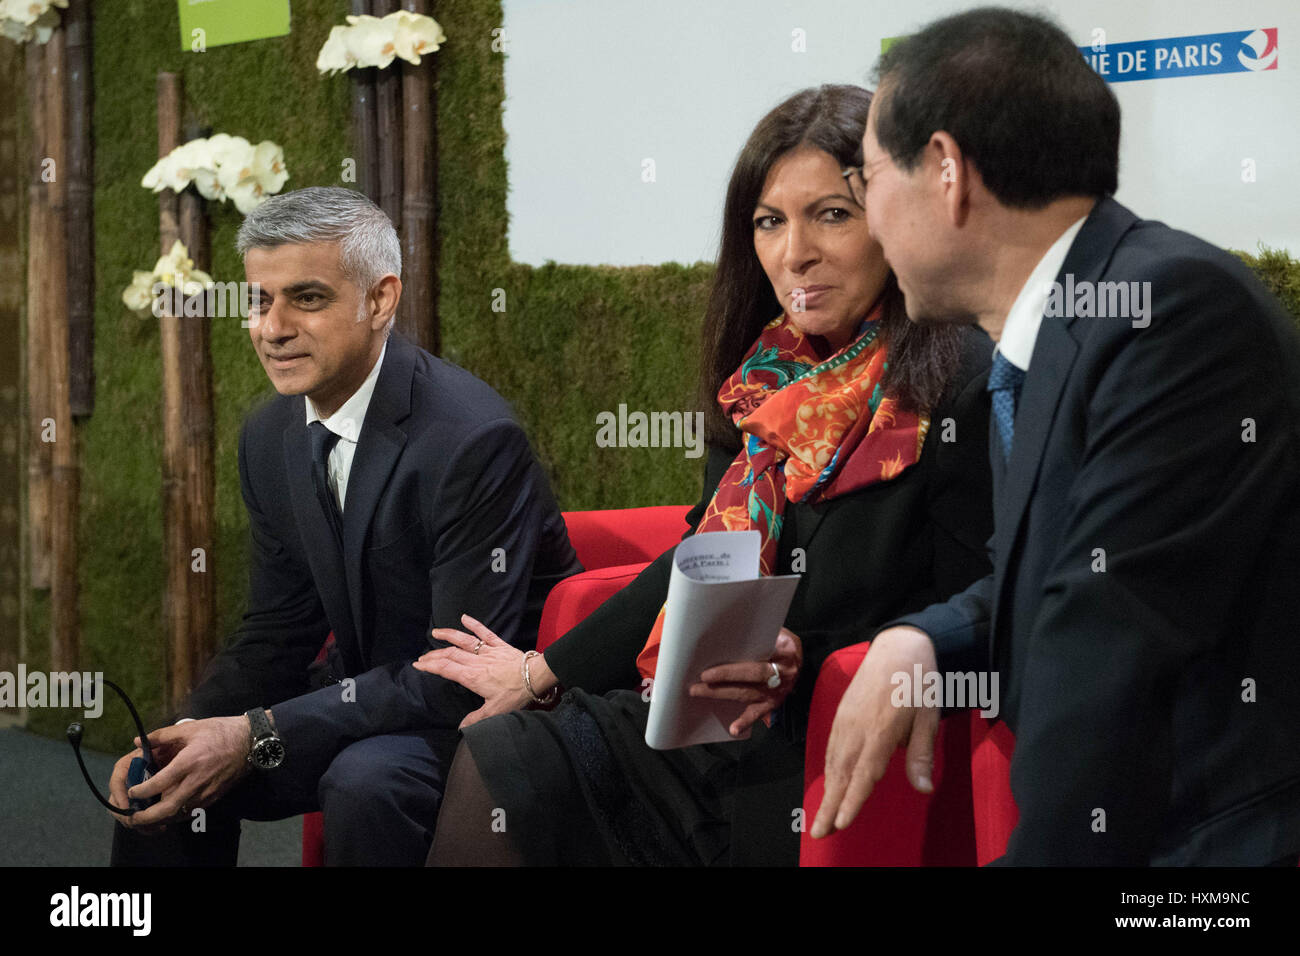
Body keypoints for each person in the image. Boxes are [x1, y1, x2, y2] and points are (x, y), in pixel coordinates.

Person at [417, 84, 995, 866]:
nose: (796, 252)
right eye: (770, 222)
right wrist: (541, 670)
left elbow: (976, 608)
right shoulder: (765, 377)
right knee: (507, 757)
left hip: (835, 730)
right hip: (708, 719)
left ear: (894, 213)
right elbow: (703, 557)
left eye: (832, 213)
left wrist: (806, 659)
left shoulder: (957, 378)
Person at [813, 7, 1300, 866]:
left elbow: (1106, 642)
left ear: (947, 171)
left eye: (867, 179)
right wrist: (920, 638)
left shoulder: (1165, 312)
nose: (871, 220)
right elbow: (1056, 570)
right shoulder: (1060, 322)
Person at [107, 186, 581, 866]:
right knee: (165, 772)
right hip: (368, 698)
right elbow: (278, 630)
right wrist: (189, 728)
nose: (272, 327)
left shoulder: (472, 441)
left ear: (380, 300)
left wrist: (257, 732)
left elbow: (456, 677)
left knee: (365, 781)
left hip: (487, 716)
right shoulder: (269, 435)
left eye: (307, 298)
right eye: (258, 300)